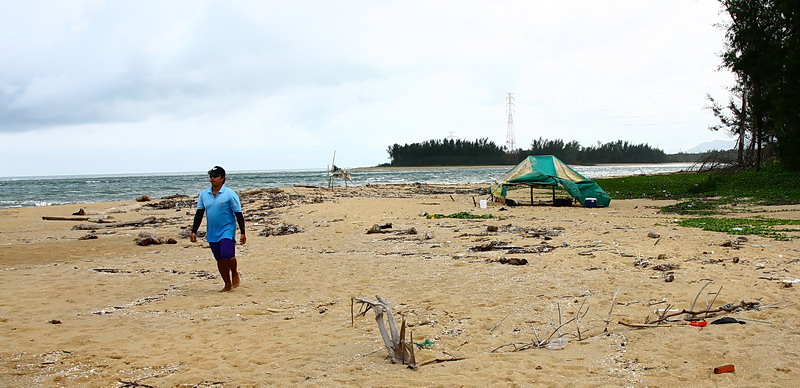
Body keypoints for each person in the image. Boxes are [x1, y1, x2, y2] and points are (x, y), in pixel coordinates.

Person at [190, 166, 247, 292]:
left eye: (215, 176)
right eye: (211, 176)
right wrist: (194, 231)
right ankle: (227, 284)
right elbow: (199, 213)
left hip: (227, 229)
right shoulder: (204, 194)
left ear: (222, 178)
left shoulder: (230, 194)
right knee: (220, 258)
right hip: (212, 231)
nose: (212, 178)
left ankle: (235, 272)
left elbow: (238, 213)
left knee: (227, 254)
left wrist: (243, 232)